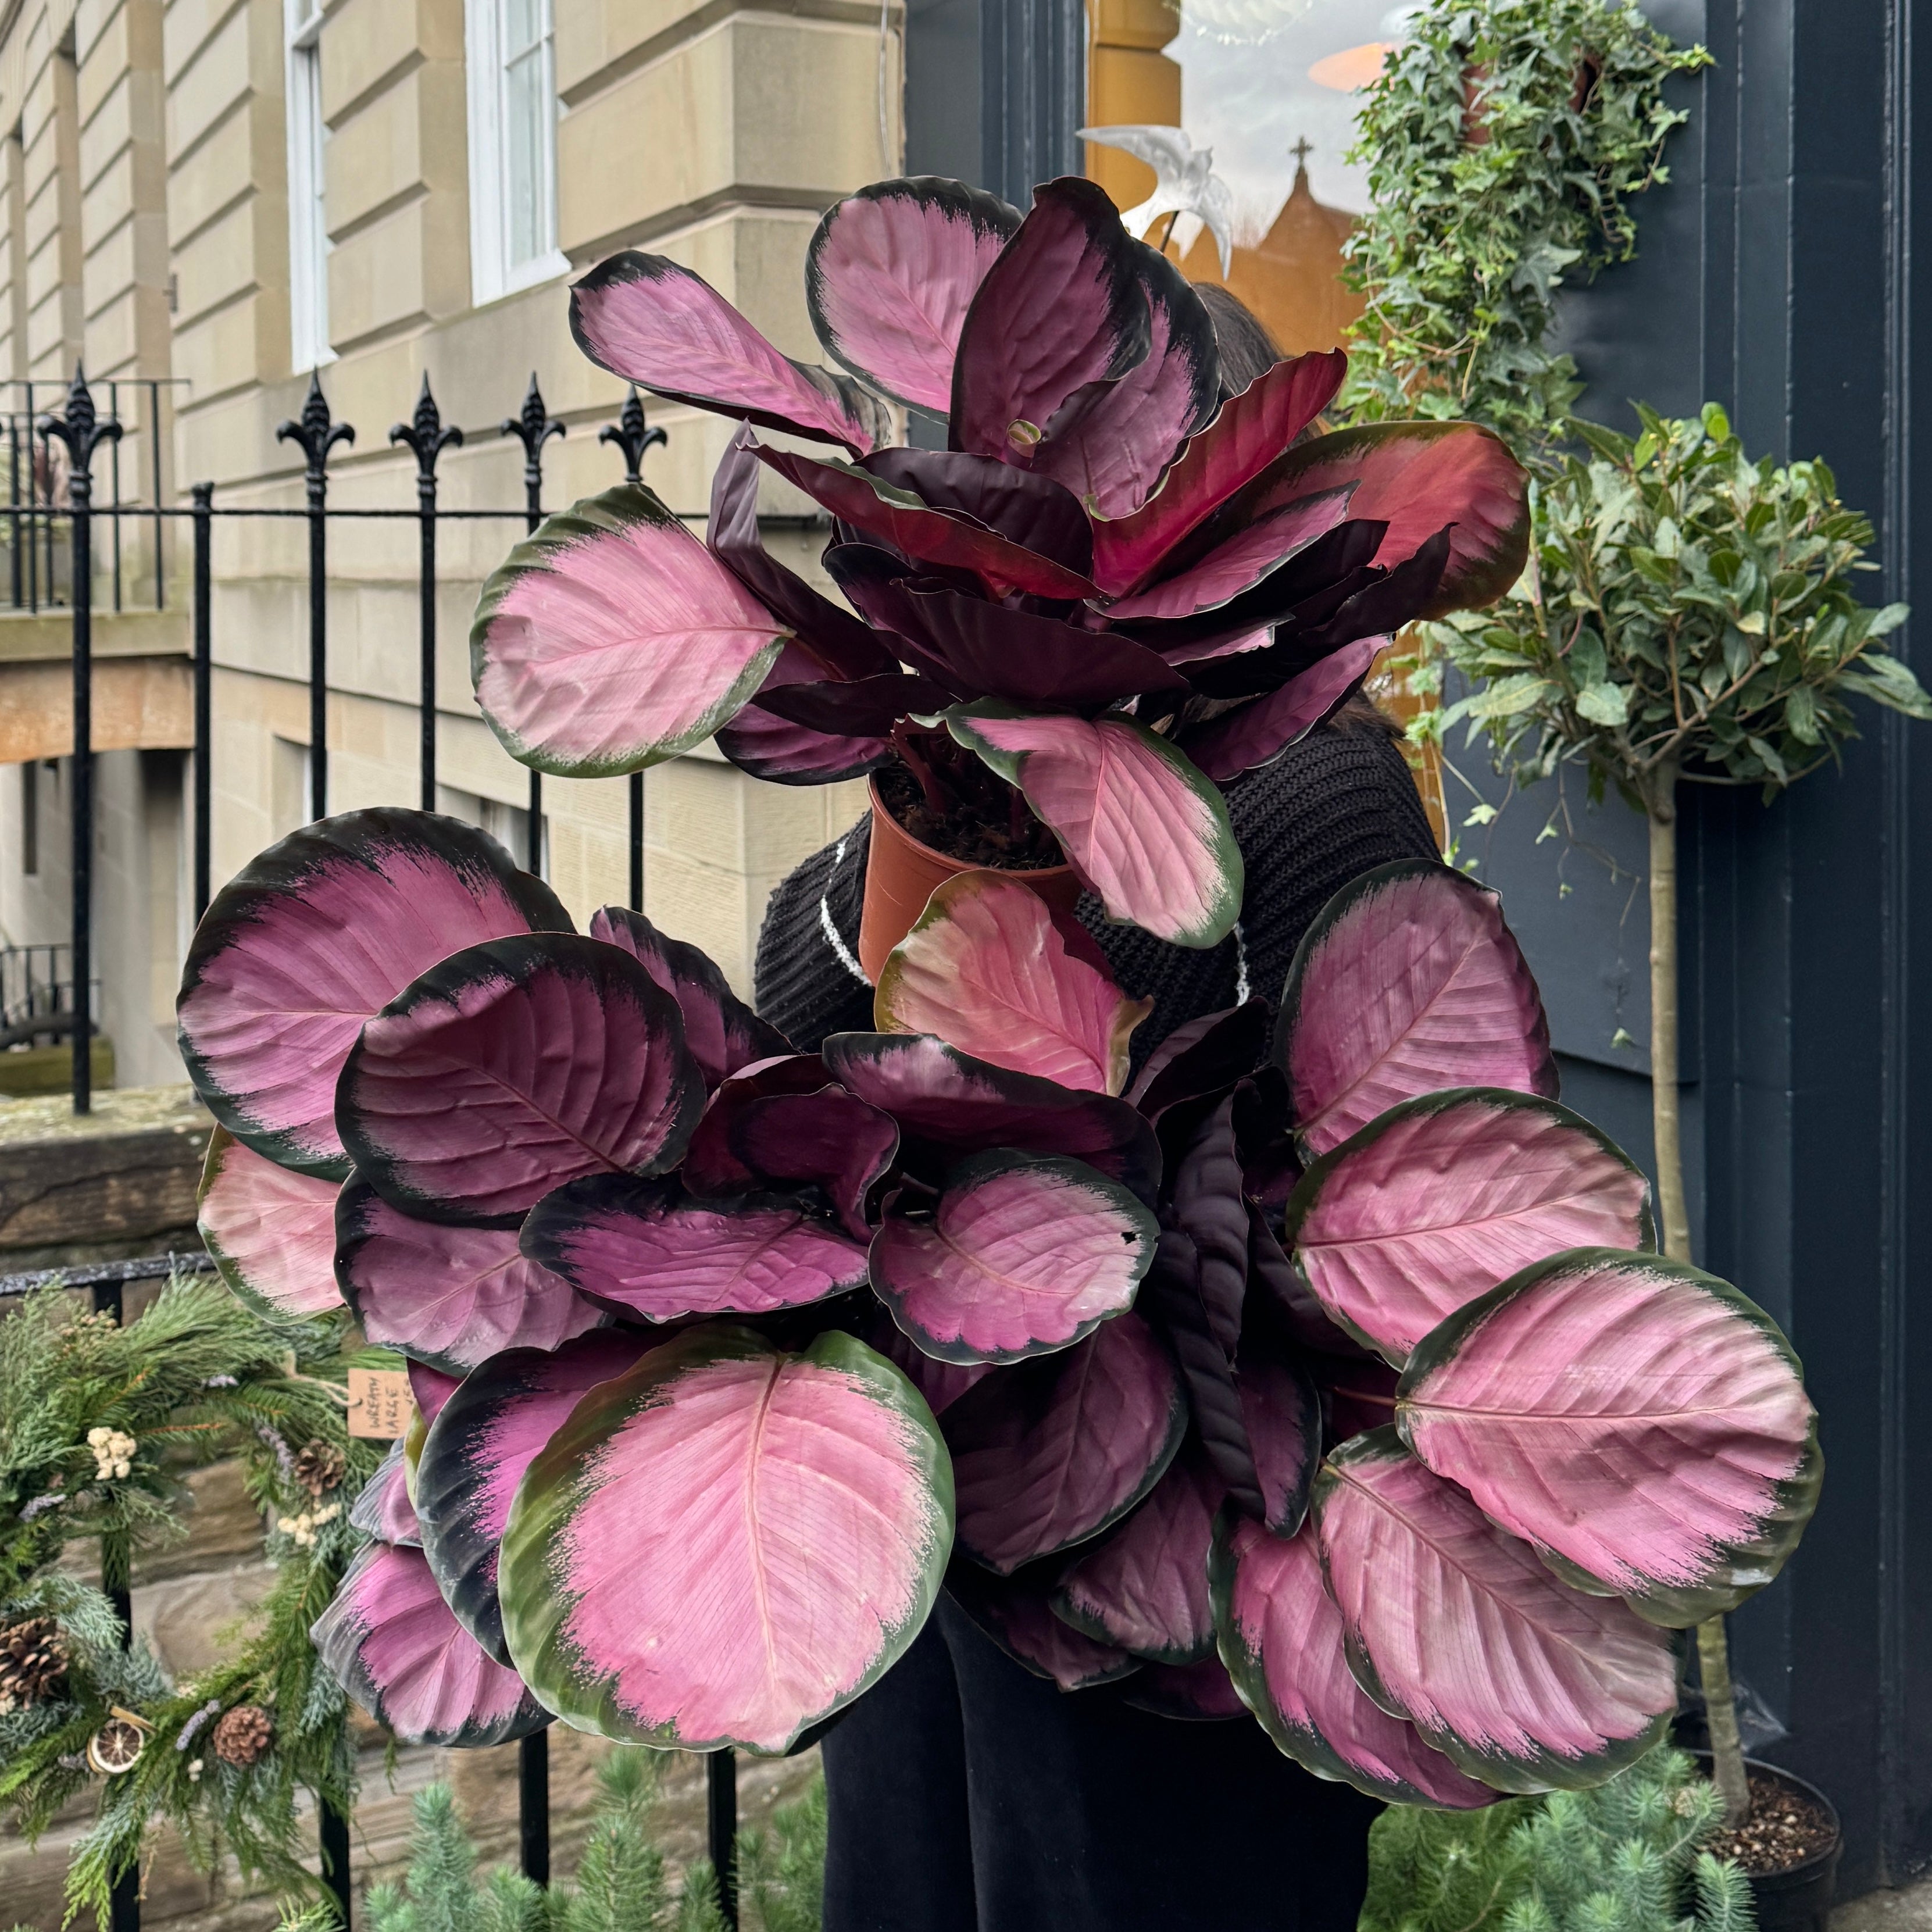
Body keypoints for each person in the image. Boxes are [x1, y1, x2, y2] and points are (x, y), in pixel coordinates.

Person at [752, 297, 1442, 1932]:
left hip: (1166, 1605)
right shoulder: (967, 754)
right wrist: (927, 826)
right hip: (944, 1579)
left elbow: (1382, 1220)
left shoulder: (1309, 784)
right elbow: (791, 1035)